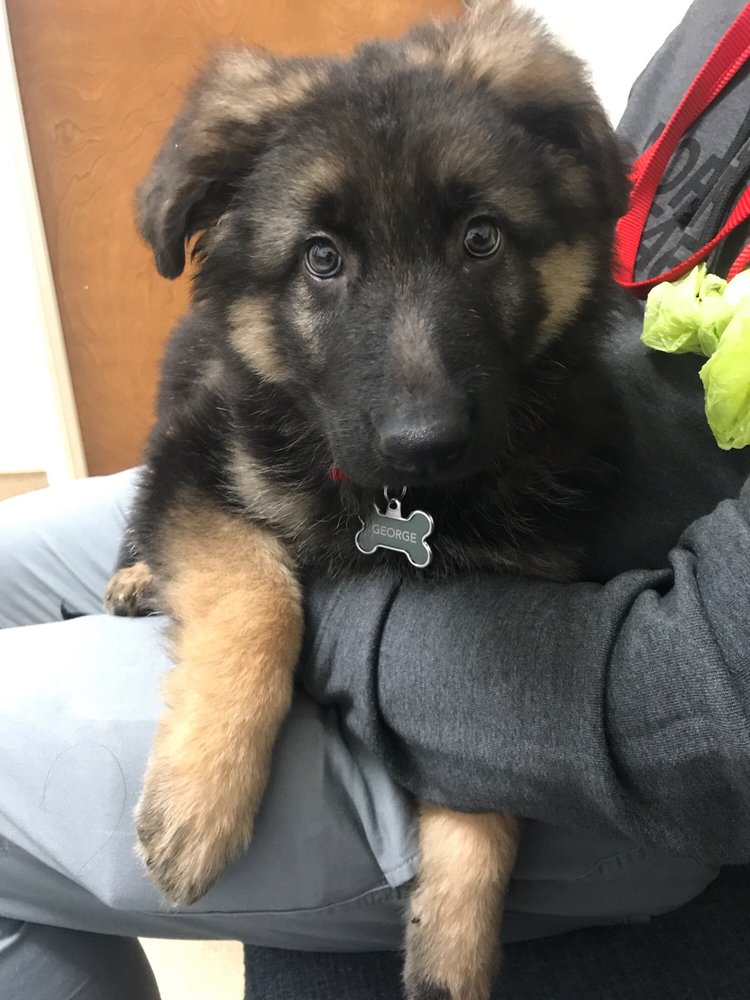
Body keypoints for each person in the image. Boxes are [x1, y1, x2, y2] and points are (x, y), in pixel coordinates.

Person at [1, 1, 749, 998]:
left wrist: (467, 854)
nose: (418, 400)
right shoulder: (716, 29)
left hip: (603, 708)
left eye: (478, 239)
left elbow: (682, 687)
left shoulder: (563, 446)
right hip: (322, 486)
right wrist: (242, 646)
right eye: (326, 260)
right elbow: (196, 480)